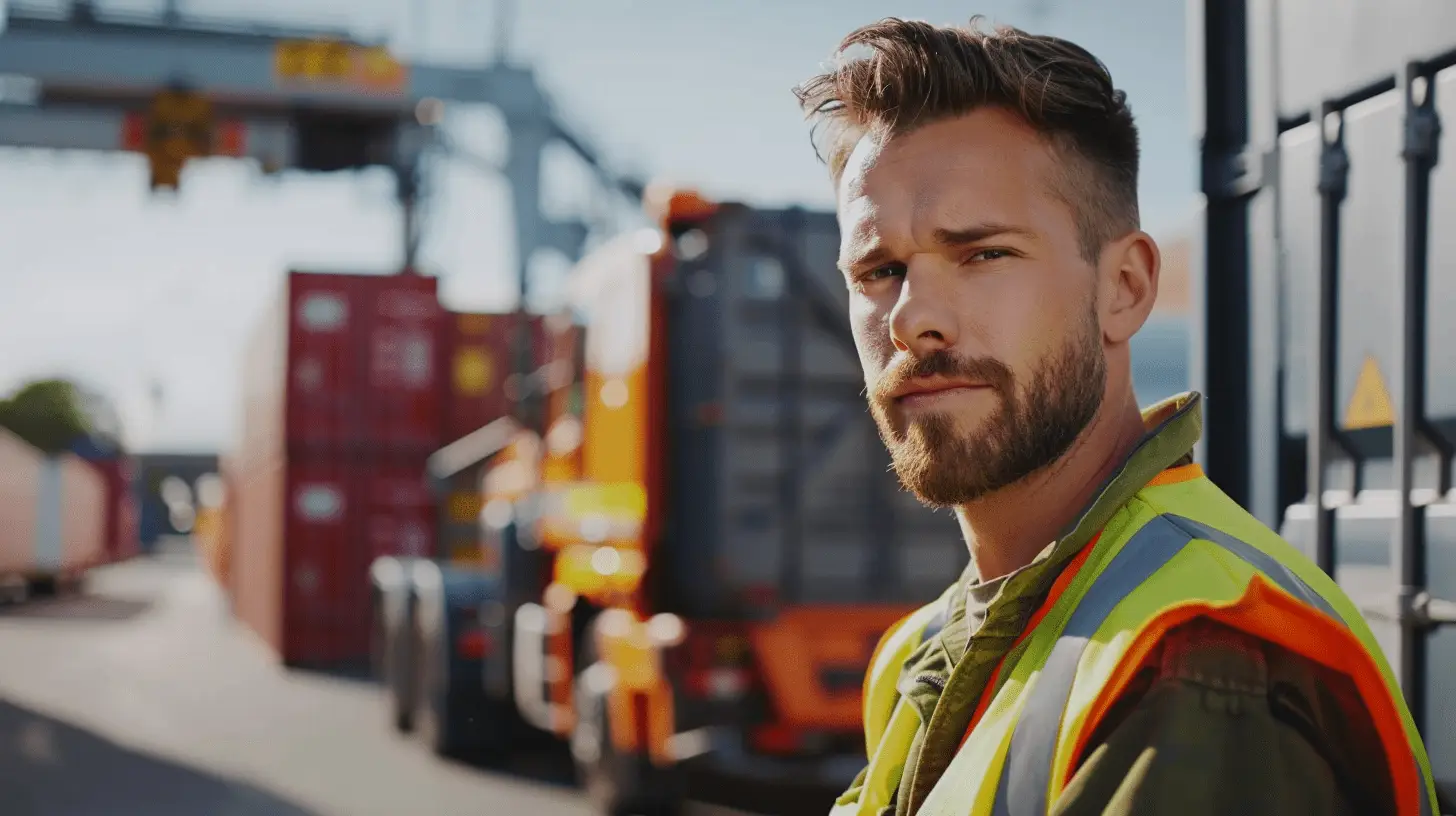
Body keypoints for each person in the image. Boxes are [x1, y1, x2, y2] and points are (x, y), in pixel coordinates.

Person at [792, 17, 1437, 816]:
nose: (912, 318)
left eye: (983, 253)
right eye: (879, 270)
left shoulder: (1197, 663)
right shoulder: (918, 653)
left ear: (1124, 288)